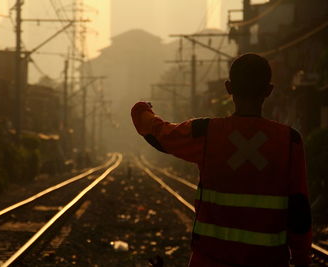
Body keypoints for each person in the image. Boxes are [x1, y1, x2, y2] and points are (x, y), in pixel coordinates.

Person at [131, 53, 311, 267]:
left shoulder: (207, 132)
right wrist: (301, 260)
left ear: (228, 88)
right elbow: (299, 211)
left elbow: (162, 136)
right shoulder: (289, 141)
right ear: (268, 91)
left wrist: (142, 110)